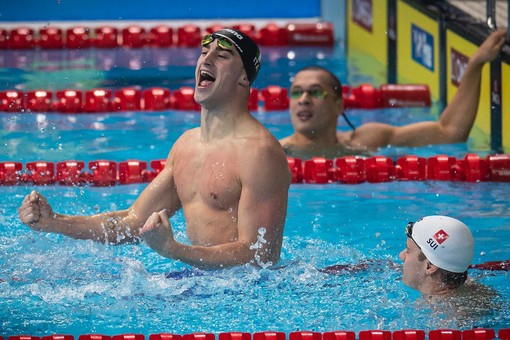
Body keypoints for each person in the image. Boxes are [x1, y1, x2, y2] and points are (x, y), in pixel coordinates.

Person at [18, 28, 292, 270]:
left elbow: (259, 256)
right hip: (203, 284)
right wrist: (55, 222)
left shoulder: (259, 153)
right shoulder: (186, 145)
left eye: (222, 56)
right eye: (204, 52)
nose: (206, 60)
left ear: (244, 77)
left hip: (246, 296)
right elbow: (134, 221)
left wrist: (174, 250)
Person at [280, 28, 508, 159]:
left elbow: (449, 133)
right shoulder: (278, 153)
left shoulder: (367, 139)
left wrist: (475, 65)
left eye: (316, 93)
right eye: (296, 93)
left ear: (339, 105)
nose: (303, 100)